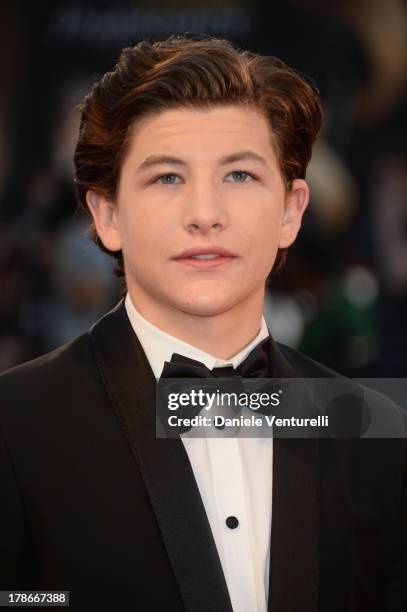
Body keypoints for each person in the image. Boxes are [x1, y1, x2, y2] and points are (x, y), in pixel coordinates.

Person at [0, 35, 406, 612]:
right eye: (167, 178)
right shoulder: (16, 422)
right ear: (108, 215)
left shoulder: (371, 428)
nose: (206, 215)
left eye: (239, 176)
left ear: (291, 211)